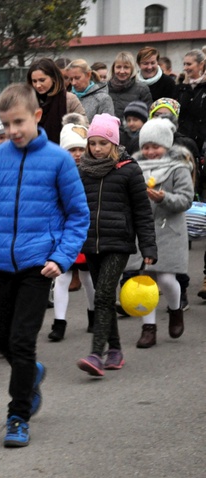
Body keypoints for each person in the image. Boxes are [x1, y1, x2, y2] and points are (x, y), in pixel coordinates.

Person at [0, 83, 89, 447]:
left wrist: (61, 258)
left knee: (22, 341)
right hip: (0, 266)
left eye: (19, 122)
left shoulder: (58, 160)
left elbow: (77, 216)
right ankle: (32, 374)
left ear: (36, 116)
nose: (13, 131)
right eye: (6, 125)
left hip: (39, 266)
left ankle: (18, 415)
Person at [73, 113, 157, 377]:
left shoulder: (129, 169)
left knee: (104, 295)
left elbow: (142, 211)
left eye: (103, 143)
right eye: (93, 143)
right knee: (104, 297)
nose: (97, 149)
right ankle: (116, 350)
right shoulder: (81, 171)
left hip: (118, 242)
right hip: (91, 243)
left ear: (114, 144)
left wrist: (148, 248)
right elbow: (73, 209)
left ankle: (97, 354)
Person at [130, 118, 193, 349]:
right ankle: (149, 328)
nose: (150, 151)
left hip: (170, 230)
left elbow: (186, 199)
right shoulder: (135, 168)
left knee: (167, 279)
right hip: (144, 231)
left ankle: (175, 310)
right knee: (145, 281)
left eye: (155, 146)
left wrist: (164, 197)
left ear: (166, 145)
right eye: (146, 147)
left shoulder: (179, 167)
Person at [48, 122, 96, 342]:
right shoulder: (56, 171)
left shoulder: (92, 172)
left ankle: (93, 314)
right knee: (62, 277)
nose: (76, 154)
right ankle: (59, 322)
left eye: (80, 149)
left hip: (85, 231)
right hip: (62, 233)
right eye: (71, 149)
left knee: (87, 277)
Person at [27, 58, 86, 144]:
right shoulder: (27, 102)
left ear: (53, 78)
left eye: (42, 80)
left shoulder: (69, 99)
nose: (38, 85)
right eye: (34, 81)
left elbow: (83, 131)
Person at [107, 51, 153, 123]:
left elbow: (147, 116)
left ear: (132, 69)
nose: (122, 71)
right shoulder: (104, 88)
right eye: (118, 67)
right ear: (113, 68)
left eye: (126, 67)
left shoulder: (142, 89)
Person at [175, 50, 206, 154]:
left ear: (201, 65)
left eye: (189, 64)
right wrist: (186, 86)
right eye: (184, 64)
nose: (185, 68)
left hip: (201, 143)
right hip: (182, 142)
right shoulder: (180, 88)